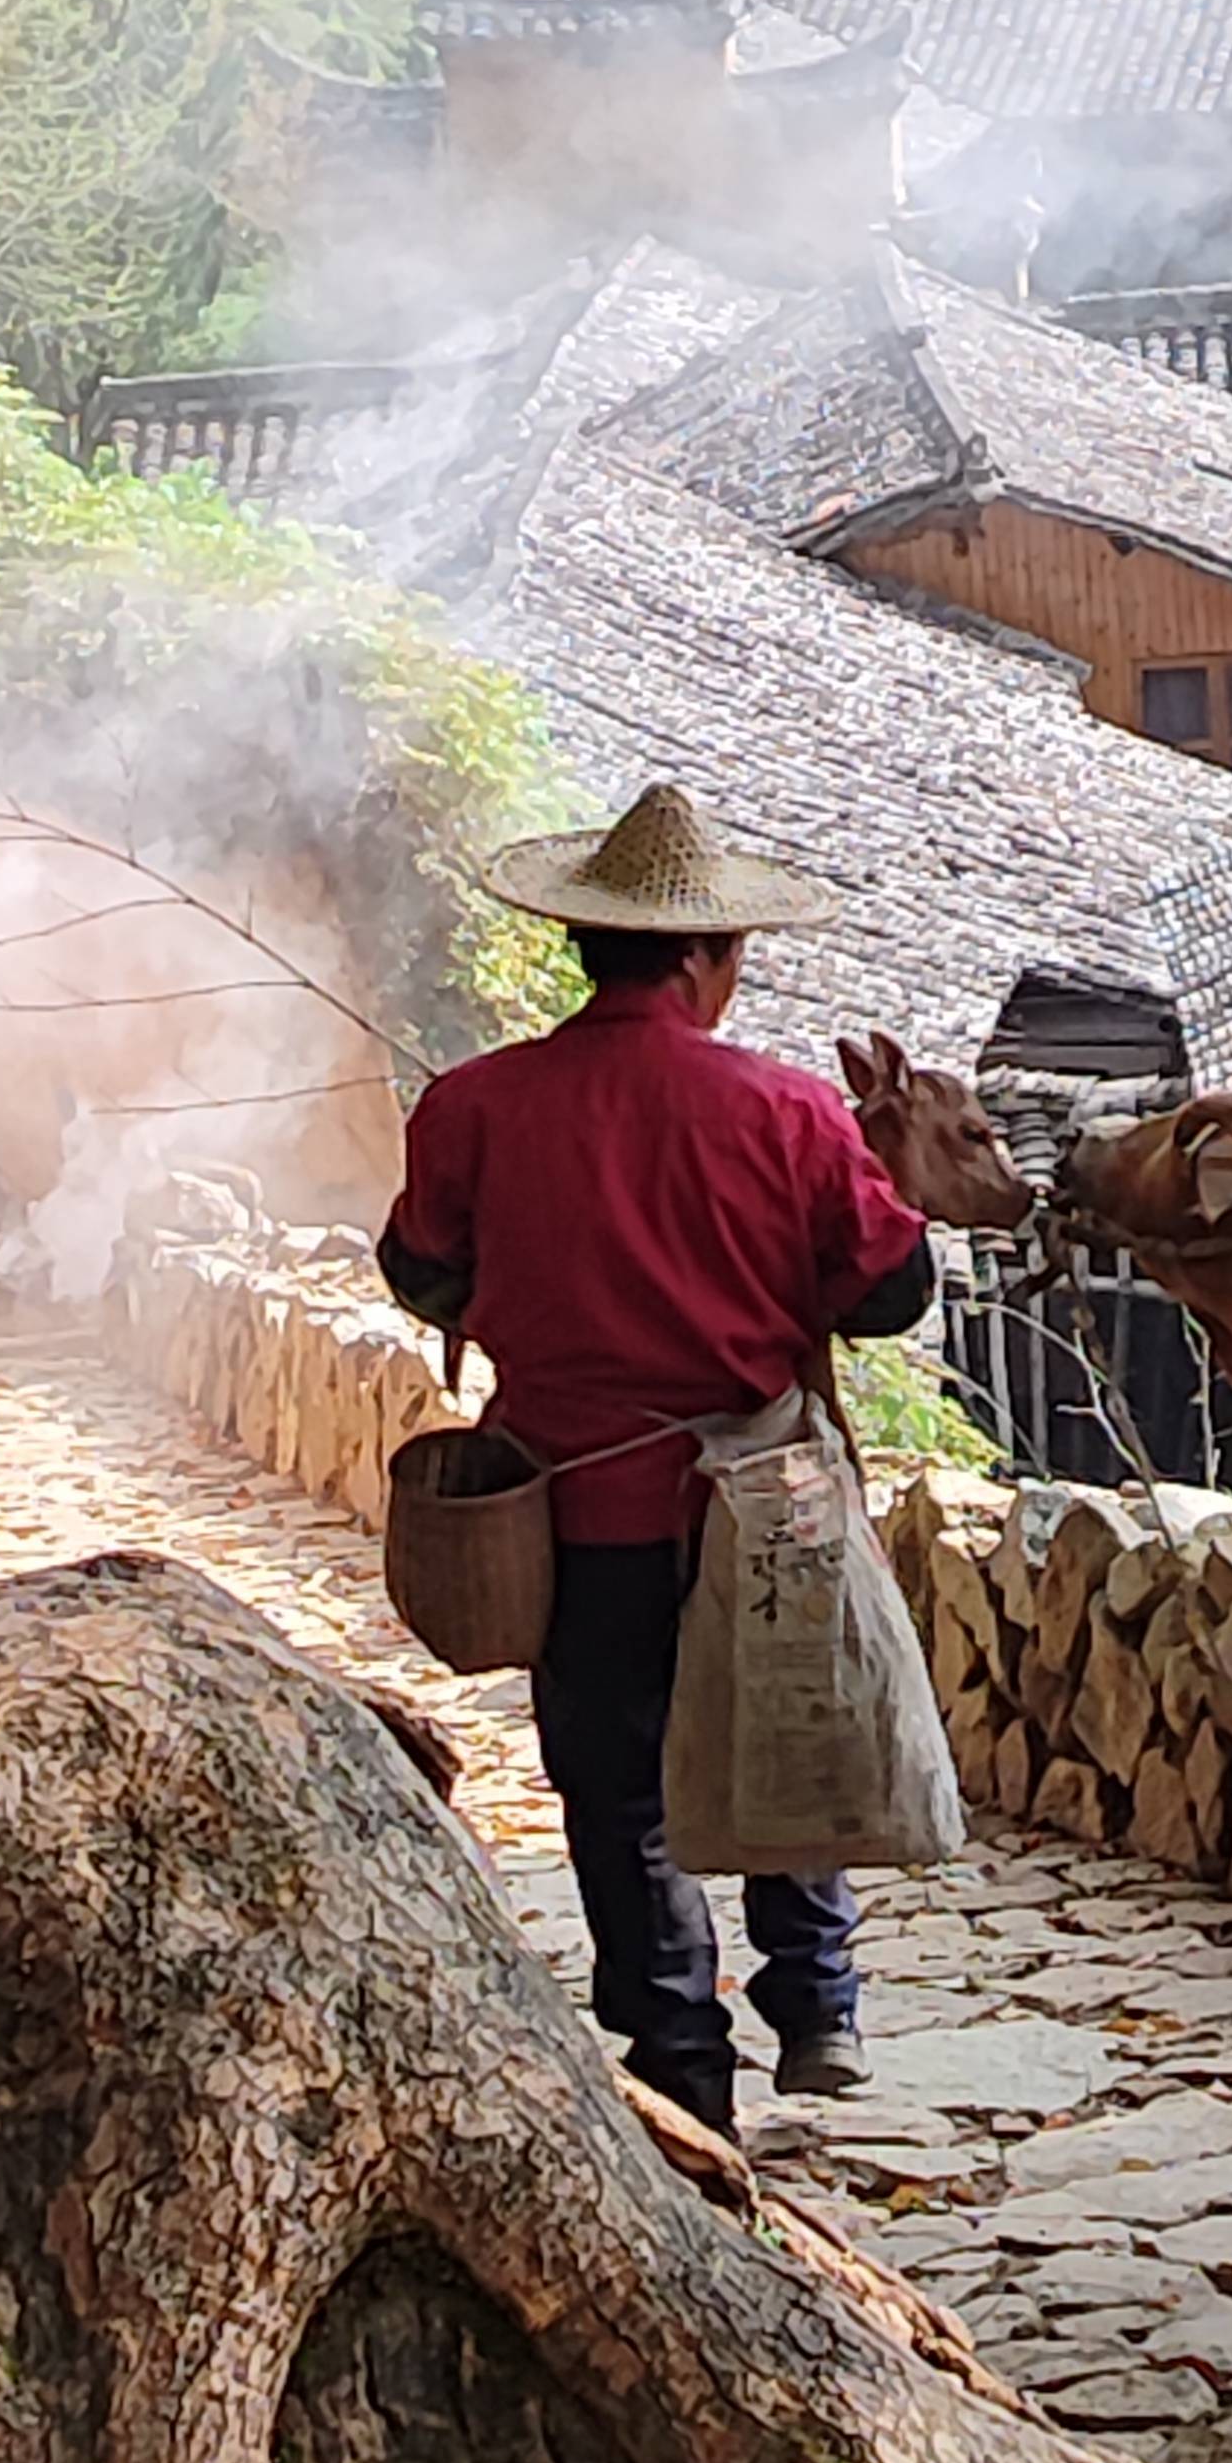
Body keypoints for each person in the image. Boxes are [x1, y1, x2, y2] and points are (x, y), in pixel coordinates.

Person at [376, 783, 934, 2137]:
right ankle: (817, 2005)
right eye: (734, 953)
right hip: (767, 1502)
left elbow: (418, 1267)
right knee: (785, 1741)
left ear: (587, 946)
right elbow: (892, 1291)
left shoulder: (475, 1103)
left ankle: (679, 2052)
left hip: (578, 1510)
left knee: (615, 1786)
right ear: (701, 958)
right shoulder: (794, 1114)